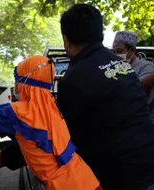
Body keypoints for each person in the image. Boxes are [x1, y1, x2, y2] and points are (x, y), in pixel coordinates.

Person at [0, 56, 101, 190]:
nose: (15, 85)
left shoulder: (21, 112)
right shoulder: (52, 106)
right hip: (86, 178)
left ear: (25, 84)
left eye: (17, 79)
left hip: (62, 185)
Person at [56, 4, 154, 190]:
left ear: (66, 40)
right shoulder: (122, 65)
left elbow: (62, 136)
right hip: (147, 163)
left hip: (115, 176)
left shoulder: (74, 78)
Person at [113, 31, 154, 123]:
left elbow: (136, 94)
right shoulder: (116, 69)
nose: (116, 55)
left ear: (131, 50)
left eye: (119, 51)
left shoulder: (146, 66)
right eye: (114, 52)